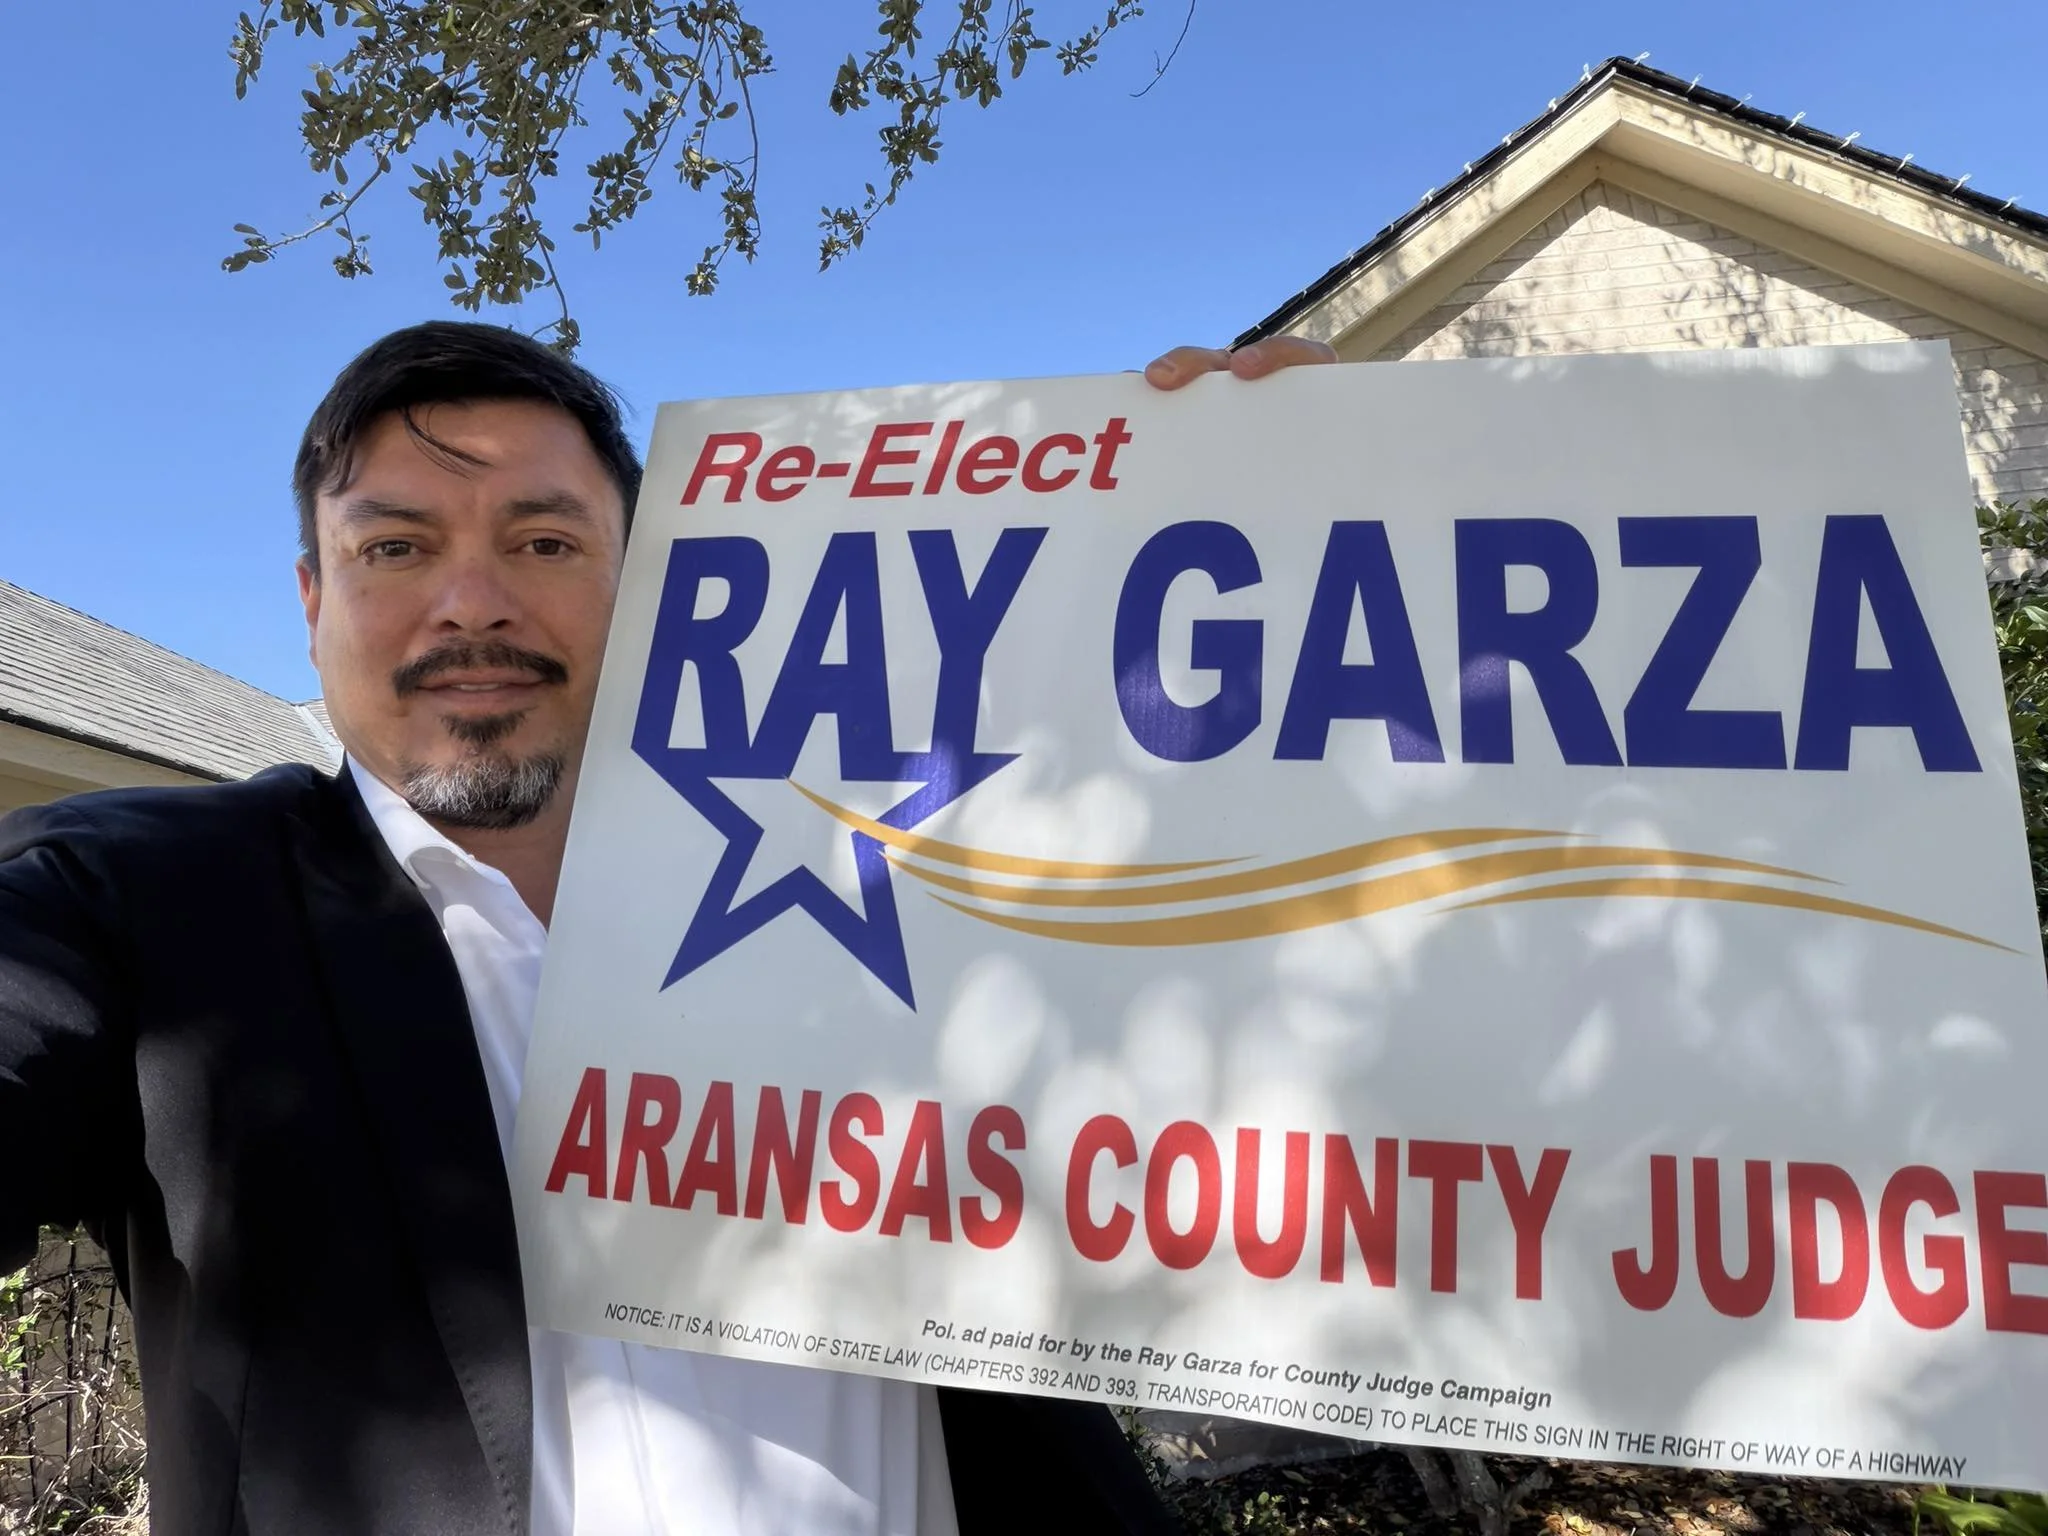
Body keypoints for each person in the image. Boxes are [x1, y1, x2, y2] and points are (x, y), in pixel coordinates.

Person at [0, 321, 1336, 1536]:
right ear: (313, 605)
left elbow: (1287, 949)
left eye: (544, 541)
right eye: (395, 548)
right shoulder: (140, 901)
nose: (472, 602)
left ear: (645, 586)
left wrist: (1340, 520)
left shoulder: (907, 865)